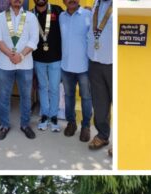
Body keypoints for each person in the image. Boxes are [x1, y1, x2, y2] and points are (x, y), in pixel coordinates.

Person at [0, 0, 39, 140]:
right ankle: (4, 125)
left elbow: (34, 39)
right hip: (5, 64)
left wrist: (21, 55)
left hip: (25, 64)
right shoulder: (0, 17)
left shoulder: (31, 17)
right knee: (4, 96)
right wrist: (10, 55)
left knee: (26, 97)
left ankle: (25, 124)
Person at [59, 0, 91, 142]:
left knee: (86, 98)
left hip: (84, 67)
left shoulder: (88, 14)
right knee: (69, 97)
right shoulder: (61, 16)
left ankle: (86, 126)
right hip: (66, 66)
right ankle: (71, 123)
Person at [32, 0, 63, 132]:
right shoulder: (30, 14)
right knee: (43, 87)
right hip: (38, 59)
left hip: (56, 58)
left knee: (54, 88)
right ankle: (45, 115)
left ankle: (54, 115)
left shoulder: (58, 10)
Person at [86, 0, 111, 153]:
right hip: (94, 61)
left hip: (113, 62)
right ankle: (102, 135)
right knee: (100, 103)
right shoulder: (96, 4)